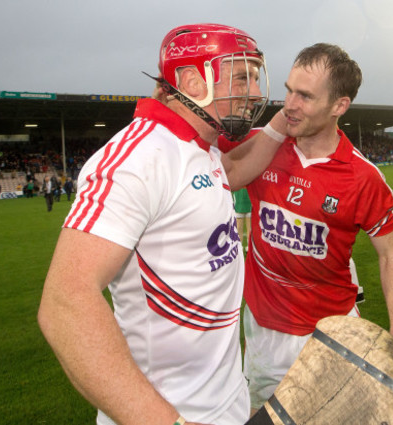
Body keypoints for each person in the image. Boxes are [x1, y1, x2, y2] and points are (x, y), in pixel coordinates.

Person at [37, 23, 287, 425]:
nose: (256, 92)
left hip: (227, 404)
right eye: (243, 76)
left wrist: (285, 123)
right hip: (171, 413)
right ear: (192, 80)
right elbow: (66, 303)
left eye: (256, 76)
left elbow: (234, 169)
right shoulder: (136, 161)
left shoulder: (201, 146)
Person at [241, 43, 393, 412]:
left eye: (304, 96)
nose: (289, 104)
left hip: (333, 332)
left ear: (340, 106)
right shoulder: (261, 147)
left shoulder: (363, 177)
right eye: (288, 90)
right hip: (266, 328)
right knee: (262, 416)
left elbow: (390, 257)